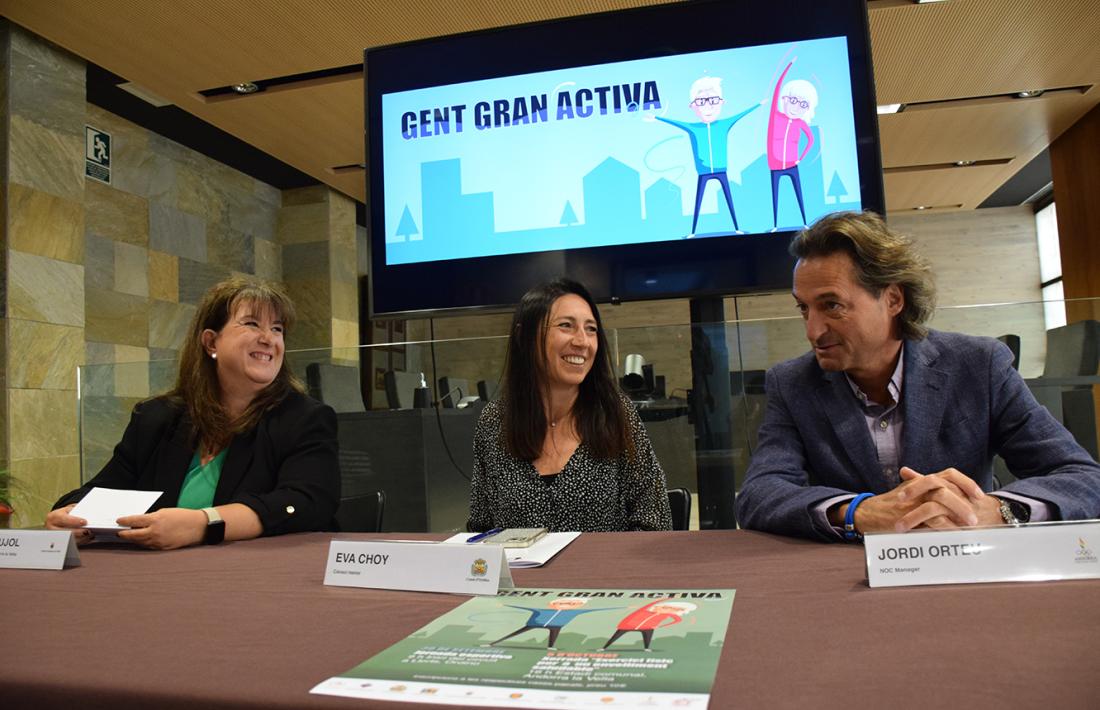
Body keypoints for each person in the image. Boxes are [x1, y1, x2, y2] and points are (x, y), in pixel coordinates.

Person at [736, 211, 1100, 541]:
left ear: (893, 299)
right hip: (848, 583)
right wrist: (857, 512)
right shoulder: (792, 382)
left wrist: (1001, 511)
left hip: (967, 563)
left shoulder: (978, 365)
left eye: (832, 305)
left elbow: (1085, 480)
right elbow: (760, 493)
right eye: (804, 308)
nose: (814, 331)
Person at [48, 277, 341, 549]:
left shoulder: (305, 418)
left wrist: (204, 524)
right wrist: (70, 515)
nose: (269, 339)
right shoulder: (157, 417)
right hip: (157, 577)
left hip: (258, 578)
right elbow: (104, 490)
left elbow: (305, 503)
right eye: (252, 324)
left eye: (277, 329)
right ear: (211, 342)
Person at [466, 278, 672, 532]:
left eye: (591, 329)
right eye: (566, 326)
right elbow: (480, 527)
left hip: (602, 571)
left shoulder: (615, 413)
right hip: (520, 573)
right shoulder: (495, 421)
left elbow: (654, 520)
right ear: (525, 335)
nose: (583, 341)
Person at [653, 76, 760, 237]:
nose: (708, 107)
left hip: (721, 169)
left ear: (721, 102)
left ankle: (737, 228)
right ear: (692, 106)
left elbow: (740, 115)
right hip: (703, 172)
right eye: (701, 102)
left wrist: (759, 104)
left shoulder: (723, 124)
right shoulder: (693, 127)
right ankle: (694, 232)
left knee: (729, 200)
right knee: (698, 202)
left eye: (713, 100)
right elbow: (675, 122)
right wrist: (655, 117)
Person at [765, 59, 816, 231]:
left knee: (798, 194)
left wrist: (800, 158)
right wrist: (789, 66)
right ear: (785, 99)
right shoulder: (776, 117)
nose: (796, 107)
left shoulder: (800, 123)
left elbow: (811, 140)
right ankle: (775, 224)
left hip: (793, 165)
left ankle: (804, 222)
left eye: (803, 104)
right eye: (793, 100)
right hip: (775, 166)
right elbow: (777, 87)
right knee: (775, 196)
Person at [601, 599, 696, 652]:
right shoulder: (644, 611)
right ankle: (603, 648)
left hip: (647, 628)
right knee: (615, 636)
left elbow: (677, 620)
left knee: (647, 638)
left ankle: (646, 648)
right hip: (628, 626)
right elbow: (651, 604)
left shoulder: (668, 614)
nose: (666, 609)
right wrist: (666, 598)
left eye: (671, 609)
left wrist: (660, 626)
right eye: (664, 607)